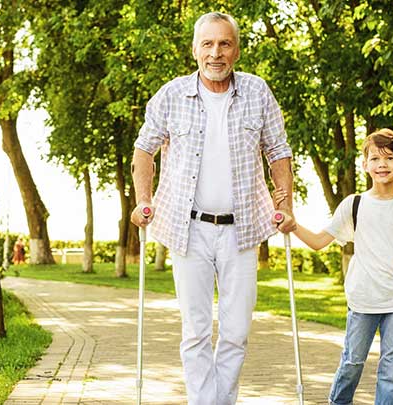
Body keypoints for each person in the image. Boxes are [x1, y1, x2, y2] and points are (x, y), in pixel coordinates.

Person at [130, 12, 296, 405]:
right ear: (195, 49)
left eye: (224, 44)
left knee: (236, 331)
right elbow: (143, 149)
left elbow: (279, 151)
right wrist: (143, 200)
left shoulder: (257, 92)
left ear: (236, 50)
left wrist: (284, 201)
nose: (216, 53)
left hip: (243, 230)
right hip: (189, 230)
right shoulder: (171, 95)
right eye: (207, 44)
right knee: (196, 331)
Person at [274, 129, 393, 405]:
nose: (382, 164)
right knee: (352, 362)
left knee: (392, 370)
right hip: (363, 299)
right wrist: (294, 226)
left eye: (389, 158)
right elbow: (318, 241)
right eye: (375, 158)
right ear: (365, 165)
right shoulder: (354, 205)